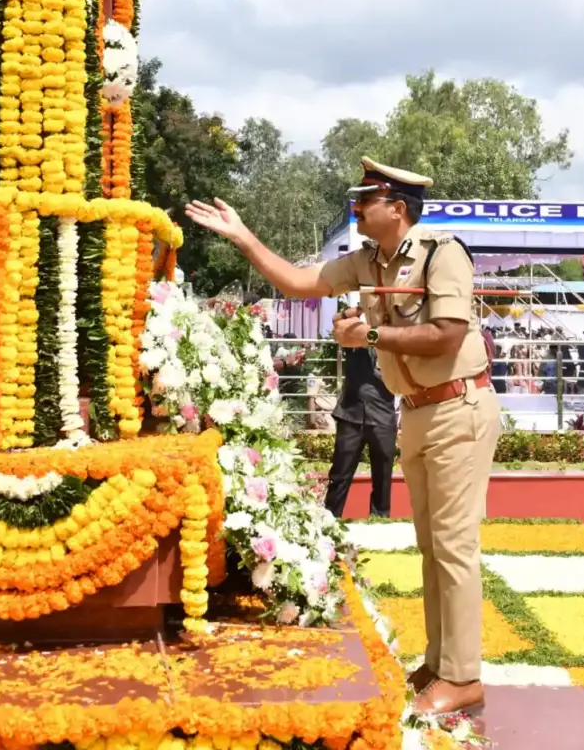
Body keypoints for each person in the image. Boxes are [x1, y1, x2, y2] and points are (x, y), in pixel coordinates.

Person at [185, 156, 501, 718]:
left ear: (397, 207)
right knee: (433, 547)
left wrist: (371, 332)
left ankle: (465, 677)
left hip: (460, 407)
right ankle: (441, 662)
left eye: (366, 197)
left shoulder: (441, 253)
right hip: (421, 411)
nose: (356, 206)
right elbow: (301, 281)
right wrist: (244, 237)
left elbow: (449, 335)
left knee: (454, 549)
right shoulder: (367, 260)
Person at [325, 345, 397, 518]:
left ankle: (380, 521)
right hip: (350, 413)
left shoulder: (394, 332)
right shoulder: (355, 328)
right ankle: (328, 521)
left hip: (383, 415)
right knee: (339, 475)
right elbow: (341, 328)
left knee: (383, 477)